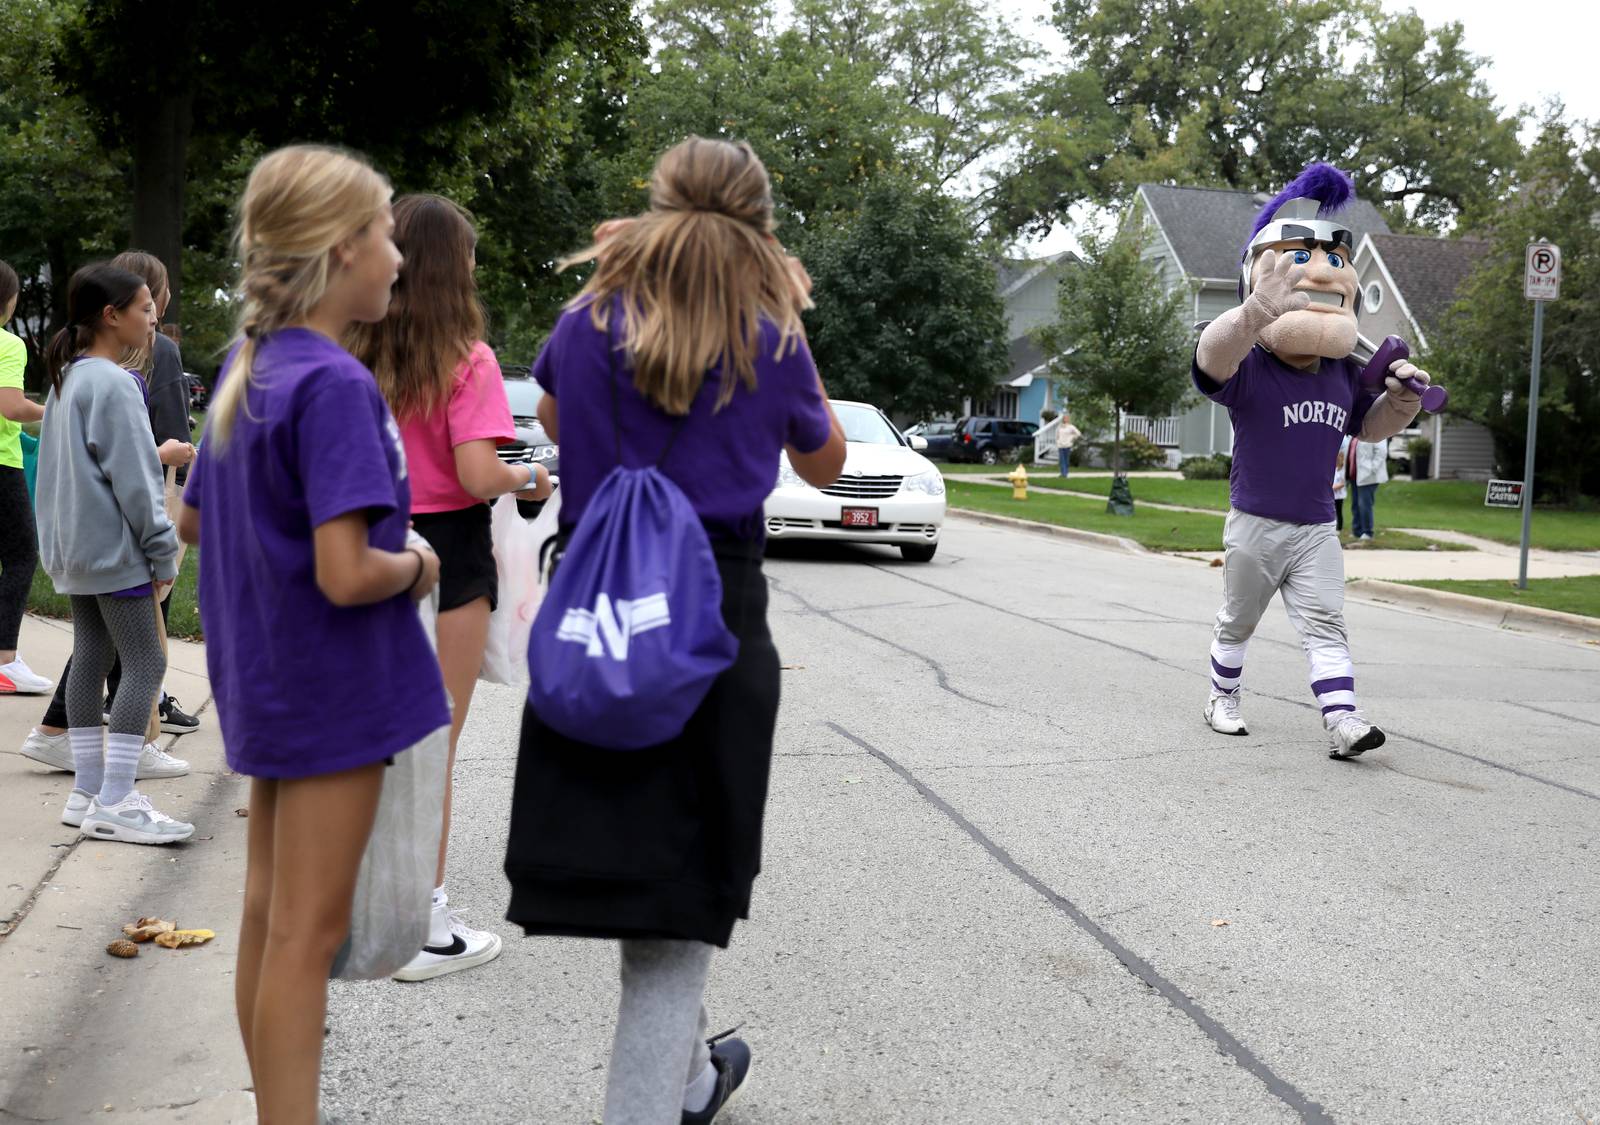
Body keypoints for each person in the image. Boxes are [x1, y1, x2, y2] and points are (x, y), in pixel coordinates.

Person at [504, 136, 846, 1124]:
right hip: (712, 614)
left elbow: (560, 423)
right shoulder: (770, 332)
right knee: (679, 891)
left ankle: (692, 1080)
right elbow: (822, 465)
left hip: (602, 606)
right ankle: (655, 1099)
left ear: (653, 202)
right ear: (760, 218)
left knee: (638, 866)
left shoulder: (585, 316)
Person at [176, 144, 449, 1124]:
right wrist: (418, 564)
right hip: (335, 690)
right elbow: (346, 575)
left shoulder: (247, 365)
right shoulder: (335, 384)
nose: (396, 258)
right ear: (340, 249)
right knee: (307, 933)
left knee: (266, 916)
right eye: (381, 236)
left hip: (266, 679)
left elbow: (195, 521)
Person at [348, 193, 551, 983]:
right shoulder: (469, 358)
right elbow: (476, 472)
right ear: (447, 265)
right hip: (447, 551)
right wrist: (530, 474)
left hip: (362, 539)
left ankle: (359, 901)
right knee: (433, 745)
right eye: (467, 254)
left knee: (370, 734)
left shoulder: (353, 346)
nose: (473, 267)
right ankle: (426, 926)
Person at [1193, 162, 1430, 759]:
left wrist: (1401, 403)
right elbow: (1209, 360)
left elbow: (1370, 429)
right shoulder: (1251, 366)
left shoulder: (1342, 372)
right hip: (1255, 521)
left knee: (1326, 624)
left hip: (1317, 526)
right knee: (1237, 621)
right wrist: (1253, 312)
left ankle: (1343, 720)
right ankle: (1222, 698)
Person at [19, 252, 196, 780]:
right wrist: (163, 551)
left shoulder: (67, 375)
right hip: (116, 551)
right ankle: (117, 798)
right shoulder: (116, 383)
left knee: (91, 656)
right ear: (111, 315)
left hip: (76, 549)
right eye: (145, 308)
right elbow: (138, 486)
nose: (154, 319)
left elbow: (56, 474)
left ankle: (87, 793)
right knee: (147, 663)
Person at [0, 258, 51, 694]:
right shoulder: (9, 344)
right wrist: (58, 412)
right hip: (1, 461)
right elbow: (12, 407)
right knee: (20, 555)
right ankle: (4, 660)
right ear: (9, 300)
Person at [1352, 434, 1388, 540]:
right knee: (1356, 505)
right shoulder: (1354, 434)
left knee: (1364, 505)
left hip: (1369, 476)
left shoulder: (1377, 432)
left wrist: (1372, 469)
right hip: (1355, 475)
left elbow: (1381, 452)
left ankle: (1367, 532)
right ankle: (1357, 531)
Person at [1333, 435, 1351, 532]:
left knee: (1339, 511)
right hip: (1333, 494)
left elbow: (1342, 483)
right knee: (1333, 511)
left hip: (1339, 495)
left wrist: (1334, 488)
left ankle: (1339, 528)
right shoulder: (1333, 470)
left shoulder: (1341, 471)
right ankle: (1334, 527)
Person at [1056, 411, 1082, 478]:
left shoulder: (1071, 427)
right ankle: (1063, 473)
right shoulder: (1060, 427)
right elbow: (1057, 435)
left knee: (1066, 460)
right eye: (1064, 418)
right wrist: (1058, 441)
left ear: (1068, 419)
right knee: (1062, 460)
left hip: (1067, 445)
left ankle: (1065, 473)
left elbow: (1078, 433)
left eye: (1067, 418)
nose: (1065, 419)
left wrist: (1072, 438)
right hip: (1060, 445)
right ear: (1063, 419)